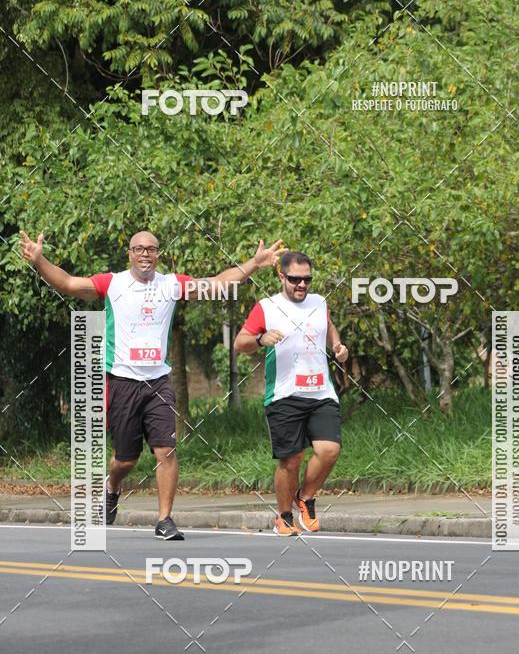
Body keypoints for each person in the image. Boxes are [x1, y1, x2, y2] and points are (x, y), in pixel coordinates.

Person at [19, 229, 286, 540]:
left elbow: (217, 284)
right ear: (130, 254)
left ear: (159, 254)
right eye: (138, 249)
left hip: (158, 380)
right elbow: (67, 283)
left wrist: (253, 263)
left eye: (151, 249)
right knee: (125, 458)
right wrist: (39, 260)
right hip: (121, 380)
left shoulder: (171, 285)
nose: (145, 254)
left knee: (166, 451)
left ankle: (165, 520)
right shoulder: (113, 283)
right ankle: (112, 485)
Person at [234, 250, 348, 535]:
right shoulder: (267, 307)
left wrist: (337, 345)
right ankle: (284, 516)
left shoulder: (319, 302)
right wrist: (261, 339)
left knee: (329, 450)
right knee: (292, 459)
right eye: (295, 279)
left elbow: (329, 325)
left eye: (307, 279)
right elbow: (240, 342)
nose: (302, 285)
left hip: (321, 391)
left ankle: (305, 497)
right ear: (281, 276)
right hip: (284, 394)